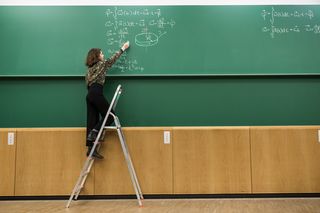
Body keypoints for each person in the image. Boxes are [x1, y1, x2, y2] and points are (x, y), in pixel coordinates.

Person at [85, 41, 129, 159]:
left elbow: (88, 84)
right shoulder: (101, 64)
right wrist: (122, 49)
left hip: (89, 94)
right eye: (101, 53)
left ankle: (90, 149)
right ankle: (95, 132)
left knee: (92, 119)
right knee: (110, 116)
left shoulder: (89, 69)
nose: (103, 55)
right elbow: (111, 60)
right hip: (96, 92)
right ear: (97, 56)